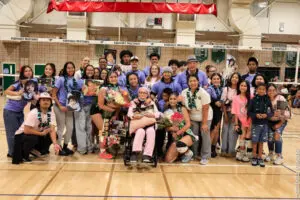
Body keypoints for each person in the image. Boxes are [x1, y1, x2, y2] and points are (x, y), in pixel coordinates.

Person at [12, 92, 61, 164]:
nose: (46, 102)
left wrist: (55, 144)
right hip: (22, 135)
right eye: (43, 100)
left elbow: (52, 129)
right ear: (39, 102)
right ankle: (24, 155)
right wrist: (41, 133)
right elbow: (26, 130)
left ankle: (38, 150)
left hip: (36, 133)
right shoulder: (34, 113)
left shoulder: (51, 113)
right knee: (33, 138)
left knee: (54, 135)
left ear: (50, 102)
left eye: (48, 100)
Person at [90, 71, 128, 159]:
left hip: (109, 111)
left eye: (115, 77)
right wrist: (112, 110)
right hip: (97, 111)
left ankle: (109, 147)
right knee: (103, 130)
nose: (113, 79)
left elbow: (119, 104)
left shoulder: (119, 89)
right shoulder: (103, 88)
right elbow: (100, 105)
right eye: (111, 77)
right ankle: (102, 152)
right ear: (107, 78)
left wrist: (115, 114)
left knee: (113, 127)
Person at [52, 61, 83, 156]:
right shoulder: (61, 79)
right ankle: (59, 148)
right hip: (60, 106)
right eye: (68, 68)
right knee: (60, 128)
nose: (70, 69)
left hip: (70, 107)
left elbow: (79, 92)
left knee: (70, 128)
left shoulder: (76, 80)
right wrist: (60, 106)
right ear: (65, 69)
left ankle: (65, 146)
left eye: (72, 67)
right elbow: (53, 94)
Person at [3, 65, 35, 158]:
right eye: (26, 71)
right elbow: (7, 91)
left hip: (20, 112)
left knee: (21, 133)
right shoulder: (18, 83)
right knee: (12, 133)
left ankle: (19, 150)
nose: (28, 72)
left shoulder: (32, 84)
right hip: (10, 111)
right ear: (23, 73)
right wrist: (18, 93)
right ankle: (12, 153)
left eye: (30, 70)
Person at [181, 75, 213, 165]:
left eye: (194, 81)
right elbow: (184, 107)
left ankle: (205, 156)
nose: (193, 83)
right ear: (188, 83)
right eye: (190, 81)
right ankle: (194, 154)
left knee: (204, 134)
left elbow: (206, 109)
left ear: (198, 81)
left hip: (205, 116)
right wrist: (188, 120)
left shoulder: (203, 93)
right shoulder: (184, 92)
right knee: (193, 135)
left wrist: (204, 123)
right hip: (193, 117)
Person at [127, 87, 160, 163]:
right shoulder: (133, 102)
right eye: (140, 92)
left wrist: (152, 115)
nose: (142, 94)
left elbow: (158, 114)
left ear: (147, 94)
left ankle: (147, 155)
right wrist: (134, 116)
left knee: (151, 131)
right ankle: (135, 153)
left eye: (144, 93)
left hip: (149, 124)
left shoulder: (151, 102)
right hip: (138, 124)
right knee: (140, 131)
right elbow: (129, 113)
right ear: (138, 94)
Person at [164, 93, 196, 163]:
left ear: (177, 100)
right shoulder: (166, 111)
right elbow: (166, 127)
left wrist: (178, 132)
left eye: (174, 99)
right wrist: (171, 129)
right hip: (174, 137)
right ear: (168, 100)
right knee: (168, 160)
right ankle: (180, 153)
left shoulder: (182, 109)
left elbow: (188, 124)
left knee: (180, 144)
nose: (172, 101)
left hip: (186, 134)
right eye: (171, 99)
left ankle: (188, 152)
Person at [248, 83, 273, 167]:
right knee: (255, 141)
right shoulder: (253, 100)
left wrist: (267, 115)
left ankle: (260, 157)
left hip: (265, 124)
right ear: (257, 90)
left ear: (265, 91)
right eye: (260, 89)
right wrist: (255, 115)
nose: (261, 90)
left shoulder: (268, 100)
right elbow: (249, 112)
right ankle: (254, 156)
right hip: (255, 124)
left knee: (261, 141)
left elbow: (271, 112)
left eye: (263, 89)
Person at [266, 83, 290, 165]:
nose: (271, 92)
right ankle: (271, 153)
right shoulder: (266, 99)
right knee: (269, 137)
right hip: (269, 121)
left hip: (281, 121)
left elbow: (287, 114)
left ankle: (279, 156)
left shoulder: (280, 98)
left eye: (273, 90)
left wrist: (279, 124)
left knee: (276, 134)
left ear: (276, 91)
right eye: (269, 90)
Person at [75, 65, 95, 154]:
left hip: (91, 106)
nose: (90, 71)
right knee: (81, 127)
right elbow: (73, 93)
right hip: (81, 106)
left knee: (89, 127)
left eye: (92, 70)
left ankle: (89, 147)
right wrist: (80, 90)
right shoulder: (79, 81)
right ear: (85, 71)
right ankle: (82, 148)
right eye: (88, 70)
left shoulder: (96, 82)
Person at [220, 72, 241, 157]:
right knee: (225, 131)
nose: (235, 79)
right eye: (233, 77)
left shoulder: (240, 90)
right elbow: (223, 102)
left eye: (237, 77)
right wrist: (225, 115)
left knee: (233, 132)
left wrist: (235, 116)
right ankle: (224, 150)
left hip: (236, 114)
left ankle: (231, 151)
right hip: (226, 112)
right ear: (230, 78)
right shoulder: (226, 89)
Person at [232, 80, 252, 162]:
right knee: (242, 136)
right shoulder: (235, 98)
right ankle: (241, 152)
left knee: (248, 136)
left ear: (247, 87)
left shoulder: (251, 97)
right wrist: (236, 124)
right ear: (239, 86)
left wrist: (251, 123)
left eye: (245, 86)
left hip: (250, 120)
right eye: (241, 85)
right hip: (242, 121)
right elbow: (235, 112)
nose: (243, 87)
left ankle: (248, 154)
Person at [206, 73, 223, 158]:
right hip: (212, 110)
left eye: (218, 79)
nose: (216, 80)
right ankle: (208, 149)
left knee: (217, 130)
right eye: (214, 79)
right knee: (213, 130)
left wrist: (222, 103)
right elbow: (208, 99)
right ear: (211, 80)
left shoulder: (221, 89)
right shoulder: (209, 89)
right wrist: (215, 102)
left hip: (219, 111)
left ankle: (213, 148)